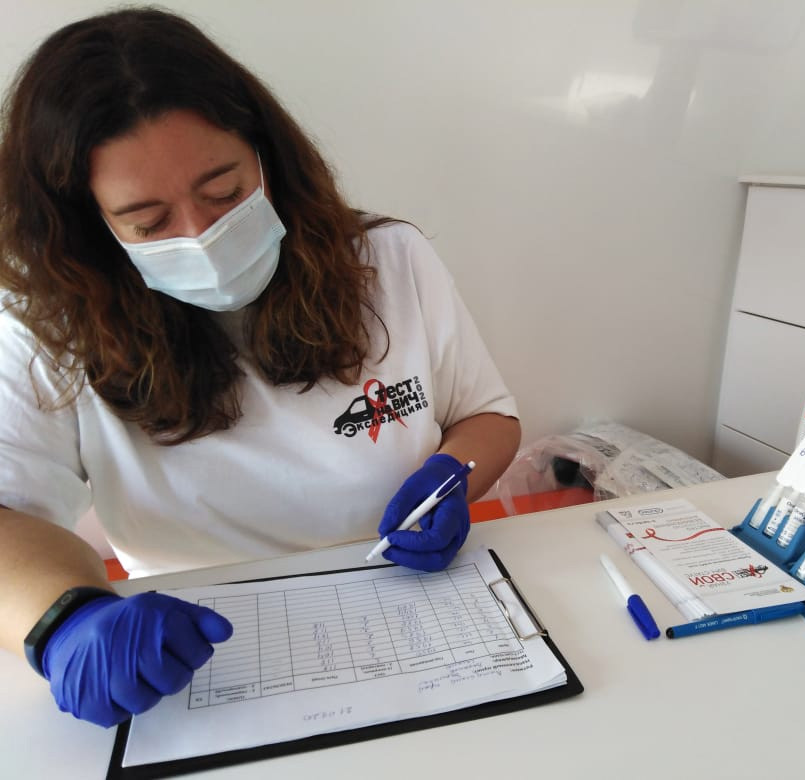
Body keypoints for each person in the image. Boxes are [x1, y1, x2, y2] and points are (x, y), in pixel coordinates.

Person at [0, 7, 520, 728]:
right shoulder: (46, 330)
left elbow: (486, 414)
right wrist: (64, 622)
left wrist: (454, 475)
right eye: (149, 222)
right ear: (88, 223)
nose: (202, 234)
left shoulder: (388, 261)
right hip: (197, 655)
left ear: (265, 154)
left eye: (224, 192)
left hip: (411, 608)